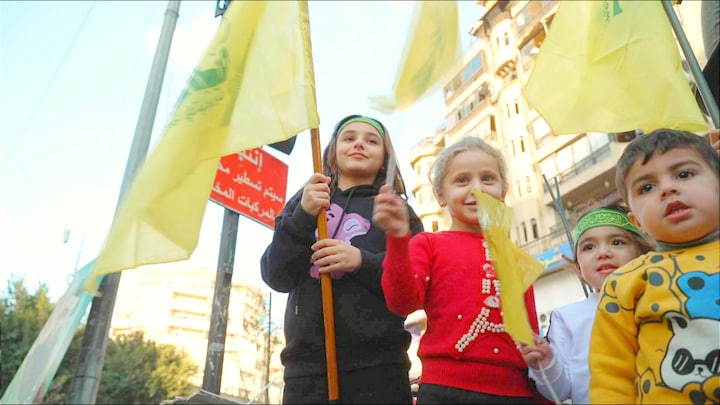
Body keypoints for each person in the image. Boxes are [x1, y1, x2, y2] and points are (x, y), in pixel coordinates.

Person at [260, 114, 424, 404]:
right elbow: (276, 275)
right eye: (349, 138)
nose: (359, 144)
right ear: (333, 151)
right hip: (305, 371)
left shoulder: (397, 211)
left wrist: (362, 261)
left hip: (380, 370)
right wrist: (302, 217)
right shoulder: (305, 201)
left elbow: (414, 288)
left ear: (385, 157)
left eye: (371, 140)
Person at [373, 136, 545, 404]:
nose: (476, 188)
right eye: (462, 180)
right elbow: (402, 302)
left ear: (504, 190)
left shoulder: (517, 258)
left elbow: (531, 337)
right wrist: (397, 239)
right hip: (446, 392)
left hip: (517, 394)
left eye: (487, 179)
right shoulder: (428, 244)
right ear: (440, 194)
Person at [588, 128, 720, 404]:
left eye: (684, 174)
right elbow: (611, 376)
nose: (667, 189)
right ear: (637, 222)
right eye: (646, 187)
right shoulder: (625, 282)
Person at [519, 203, 652, 404]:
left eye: (617, 242)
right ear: (579, 268)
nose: (603, 253)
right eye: (589, 247)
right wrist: (546, 364)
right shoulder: (567, 317)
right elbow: (561, 390)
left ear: (642, 253)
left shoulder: (660, 300)